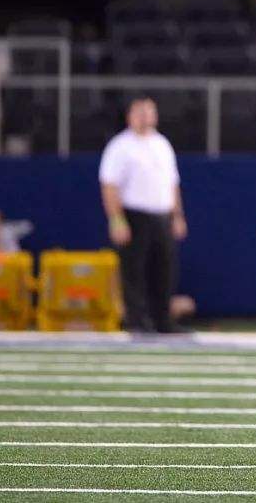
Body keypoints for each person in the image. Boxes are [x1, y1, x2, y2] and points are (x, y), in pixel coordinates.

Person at [99, 96, 189, 334]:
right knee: (134, 270)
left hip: (162, 215)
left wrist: (177, 215)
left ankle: (163, 320)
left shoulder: (162, 144)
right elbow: (109, 186)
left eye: (150, 111)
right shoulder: (120, 146)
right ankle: (138, 321)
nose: (145, 116)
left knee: (164, 269)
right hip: (134, 216)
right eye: (140, 112)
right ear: (130, 116)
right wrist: (116, 220)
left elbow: (172, 183)